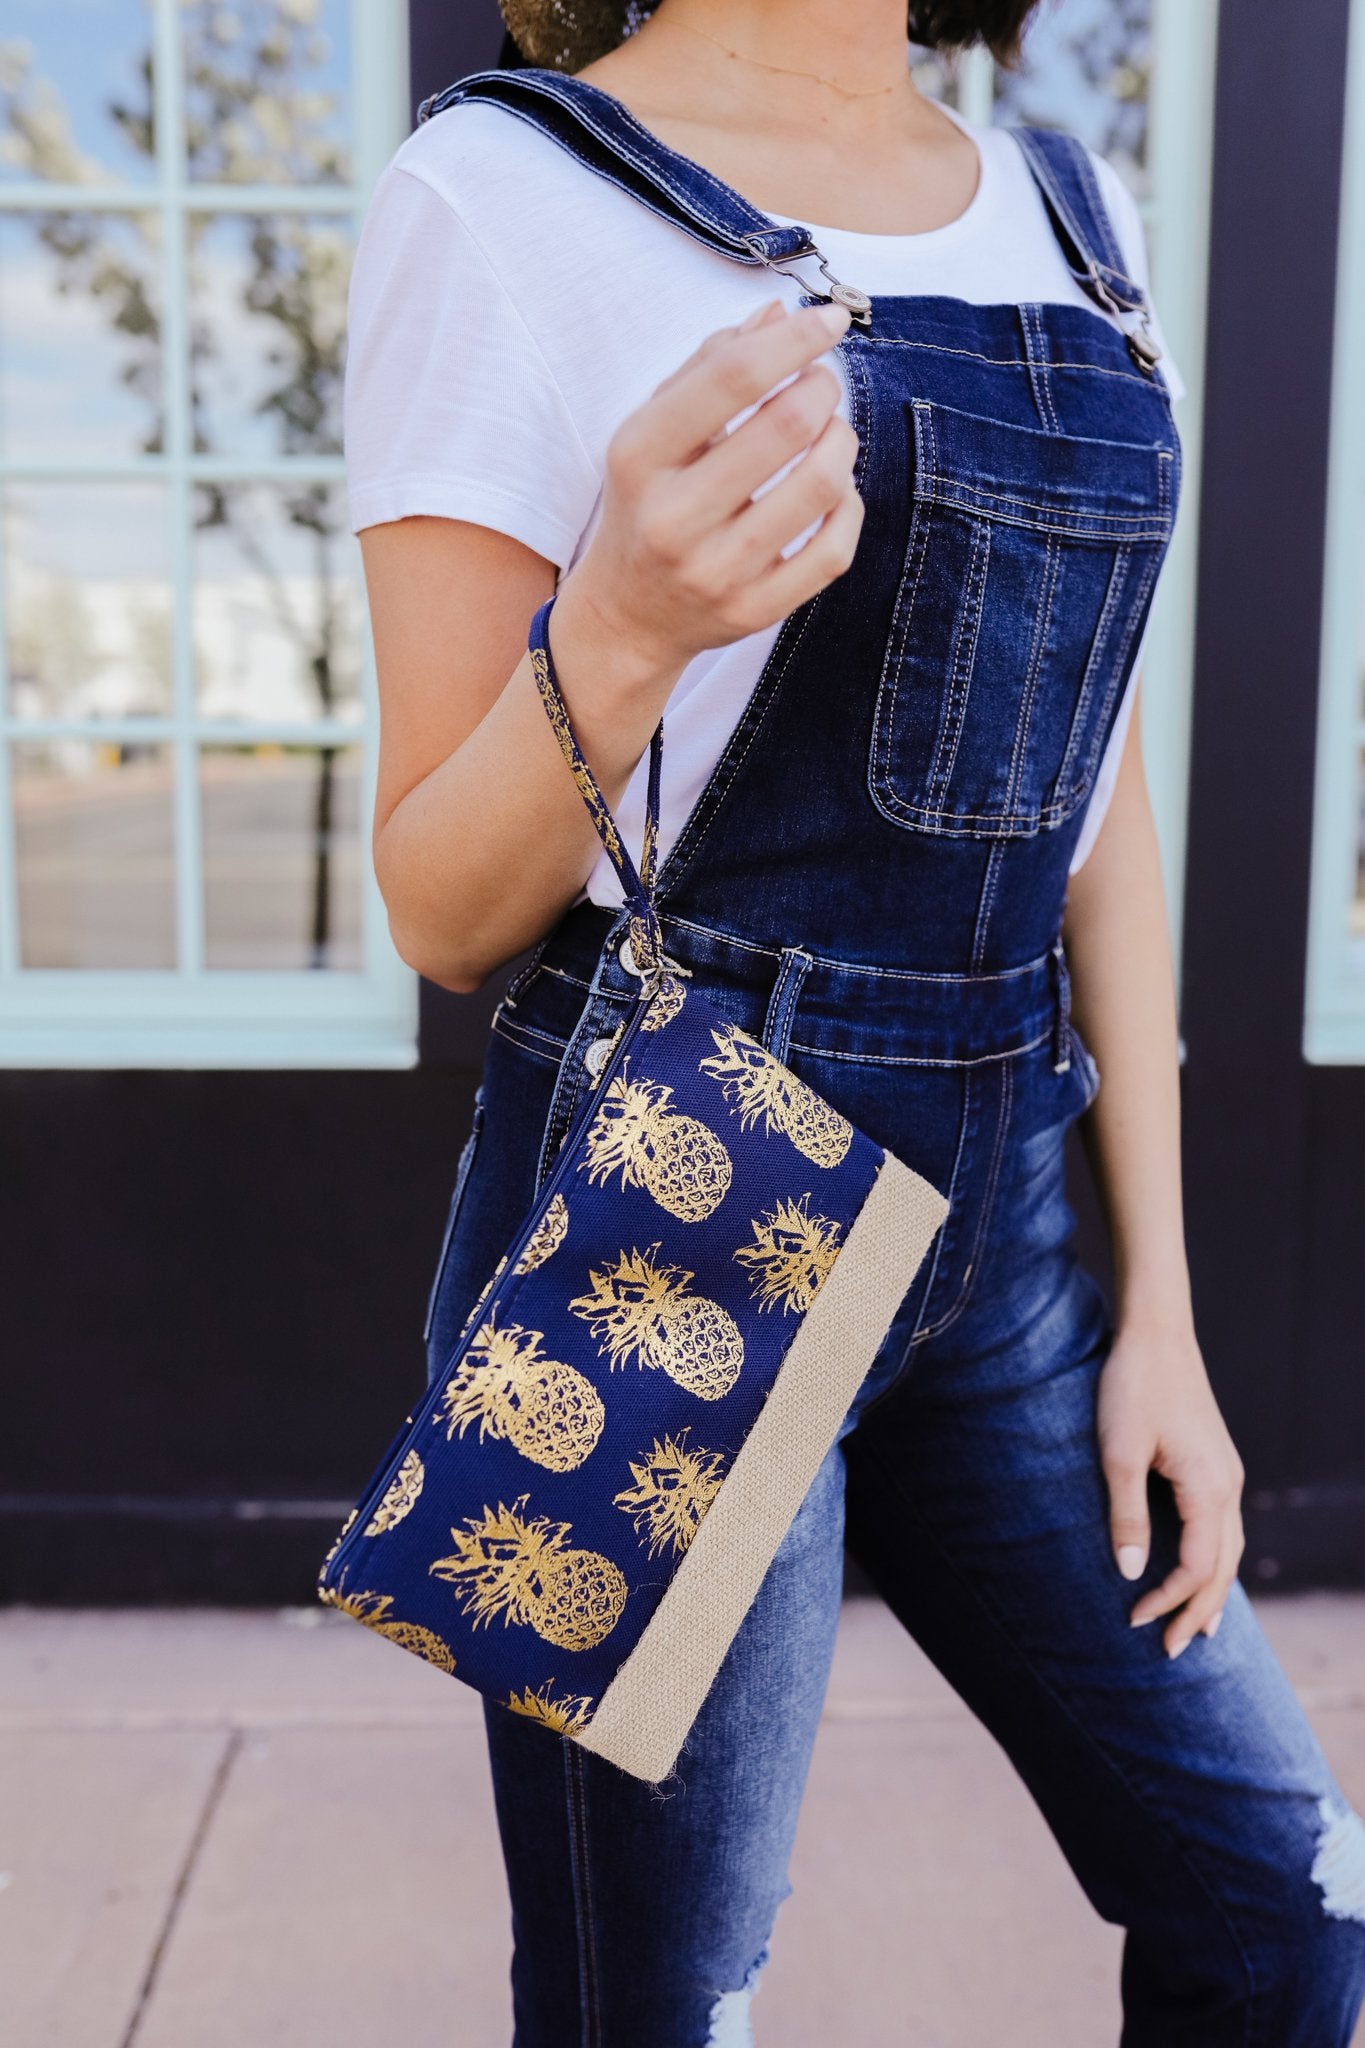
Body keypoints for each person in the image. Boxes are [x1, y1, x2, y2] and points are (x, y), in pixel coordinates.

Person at [344, 2, 1365, 2040]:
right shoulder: (502, 191)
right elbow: (443, 904)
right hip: (680, 1200)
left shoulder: (1066, 210)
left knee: (1278, 1911)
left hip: (1013, 1239)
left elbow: (1100, 799)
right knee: (665, 2002)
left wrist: (1155, 1307)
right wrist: (622, 630)